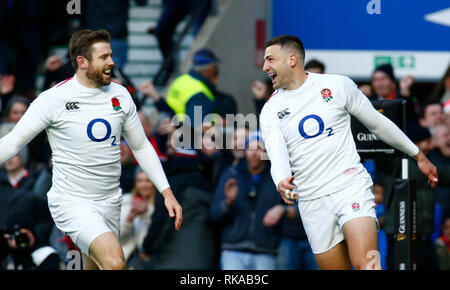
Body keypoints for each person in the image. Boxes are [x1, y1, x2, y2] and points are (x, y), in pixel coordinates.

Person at [0, 29, 182, 270]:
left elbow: (140, 146)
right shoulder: (53, 99)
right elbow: (12, 142)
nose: (112, 62)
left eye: (111, 55)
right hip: (73, 201)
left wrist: (166, 192)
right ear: (82, 62)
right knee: (115, 263)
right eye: (104, 57)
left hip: (110, 202)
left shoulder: (121, 96)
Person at [259, 35, 438, 270]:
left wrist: (418, 155)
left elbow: (377, 123)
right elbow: (277, 154)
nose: (265, 67)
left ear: (292, 59)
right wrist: (281, 181)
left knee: (367, 265)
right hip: (312, 200)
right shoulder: (270, 110)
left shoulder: (336, 85)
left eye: (270, 59)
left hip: (349, 185)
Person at [210, 131, 282, 270]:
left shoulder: (276, 179)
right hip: (233, 250)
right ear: (245, 150)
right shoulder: (231, 175)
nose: (254, 153)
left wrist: (282, 210)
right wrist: (228, 202)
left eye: (260, 149)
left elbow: (295, 208)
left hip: (266, 251)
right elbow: (214, 215)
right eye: (251, 148)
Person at [0, 147, 59, 270]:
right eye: (6, 155)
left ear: (23, 157)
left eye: (14, 155)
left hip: (33, 244)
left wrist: (33, 235)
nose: (9, 160)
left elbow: (46, 215)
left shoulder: (38, 180)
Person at [120, 168, 156, 268]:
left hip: (149, 259)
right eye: (139, 181)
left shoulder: (160, 206)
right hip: (126, 257)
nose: (143, 185)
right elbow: (120, 239)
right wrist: (130, 218)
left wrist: (147, 213)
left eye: (147, 181)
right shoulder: (126, 202)